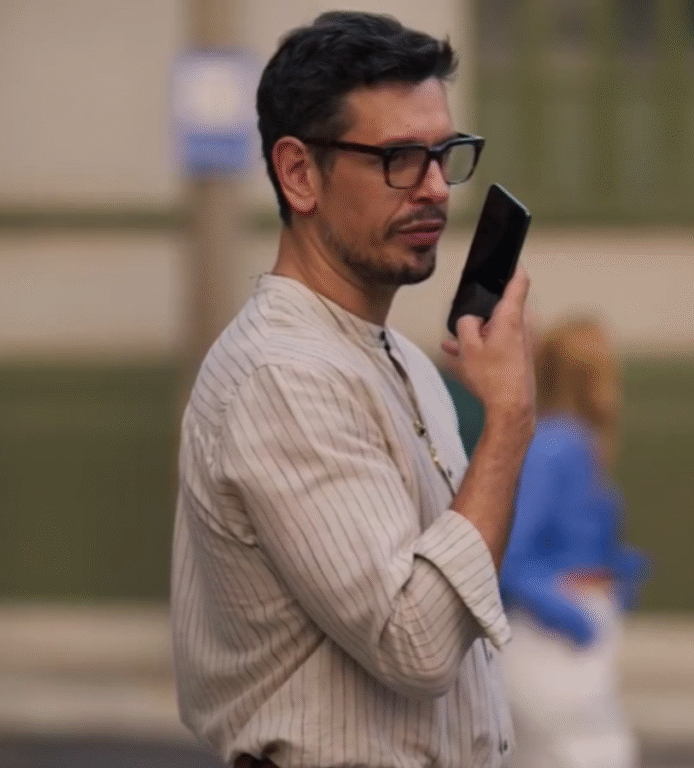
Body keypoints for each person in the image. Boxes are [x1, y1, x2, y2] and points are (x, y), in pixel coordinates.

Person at [170, 12, 536, 768]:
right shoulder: (282, 376)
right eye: (401, 158)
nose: (435, 188)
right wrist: (511, 417)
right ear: (300, 172)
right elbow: (422, 642)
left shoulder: (396, 357)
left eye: (444, 154)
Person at [498, 316, 648, 768]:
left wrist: (617, 571)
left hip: (573, 622)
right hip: (550, 633)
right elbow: (507, 554)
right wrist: (563, 609)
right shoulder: (555, 444)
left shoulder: (574, 443)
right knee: (590, 753)